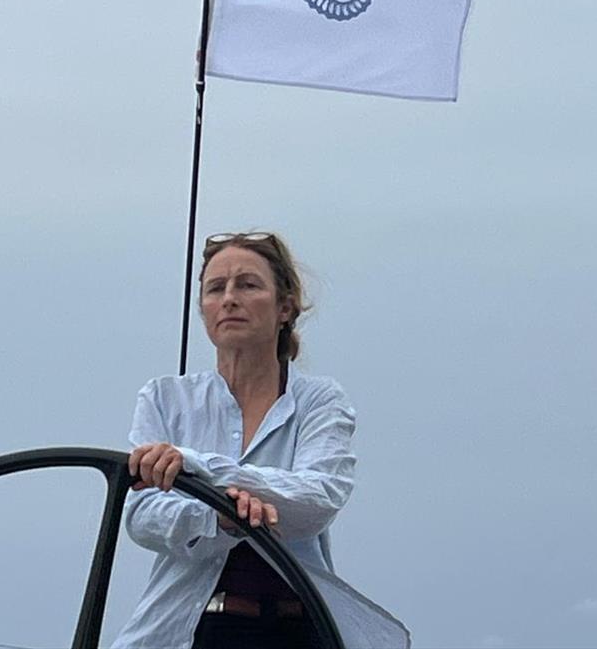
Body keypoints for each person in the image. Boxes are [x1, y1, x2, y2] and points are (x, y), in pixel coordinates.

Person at [110, 232, 410, 649]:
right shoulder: (165, 399)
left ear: (285, 307)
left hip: (296, 631)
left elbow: (317, 499)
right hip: (190, 631)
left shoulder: (320, 401)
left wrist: (197, 468)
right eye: (216, 288)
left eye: (248, 284)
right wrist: (221, 518)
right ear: (203, 309)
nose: (230, 298)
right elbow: (142, 515)